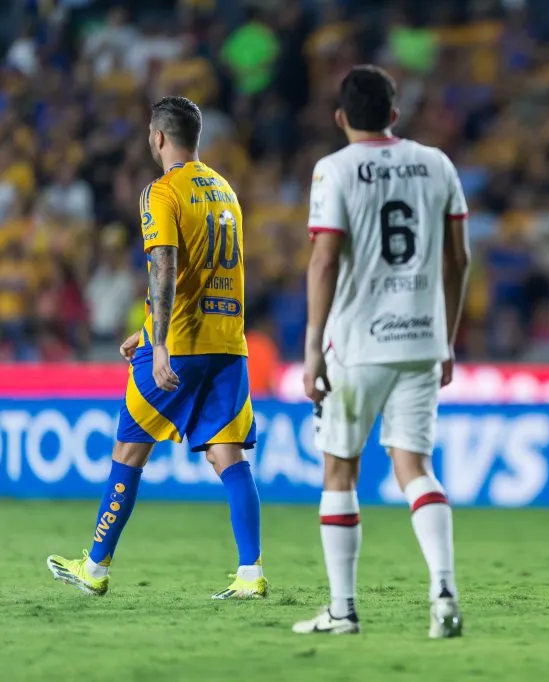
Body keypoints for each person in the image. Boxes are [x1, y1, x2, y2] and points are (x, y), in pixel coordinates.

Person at [46, 96, 267, 600]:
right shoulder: (225, 190)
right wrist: (147, 332)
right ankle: (250, 573)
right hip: (228, 344)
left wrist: (160, 343)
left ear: (159, 137)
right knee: (228, 456)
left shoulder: (161, 193)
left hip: (181, 344)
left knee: (129, 450)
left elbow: (165, 265)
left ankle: (95, 567)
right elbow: (209, 273)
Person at [293, 66, 471, 637]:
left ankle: (343, 611)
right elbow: (459, 260)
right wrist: (446, 336)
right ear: (395, 114)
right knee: (415, 468)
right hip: (421, 338)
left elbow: (323, 259)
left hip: (357, 341)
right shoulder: (438, 163)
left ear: (340, 117)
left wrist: (312, 348)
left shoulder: (334, 170)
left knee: (339, 470)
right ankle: (443, 590)